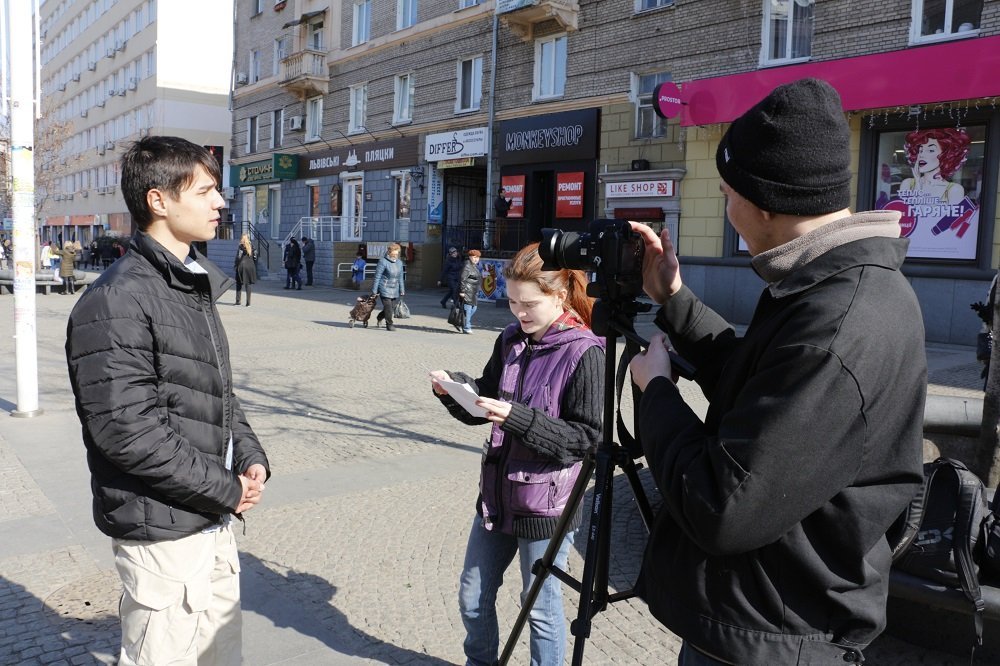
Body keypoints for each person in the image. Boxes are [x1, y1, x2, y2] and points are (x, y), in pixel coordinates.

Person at [626, 78, 927, 665]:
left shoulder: (838, 324)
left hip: (774, 636)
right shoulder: (831, 285)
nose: (724, 198)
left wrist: (655, 392)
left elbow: (722, 507)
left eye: (729, 189)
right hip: (769, 617)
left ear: (765, 202)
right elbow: (759, 388)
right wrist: (675, 299)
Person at [64, 135, 270, 665]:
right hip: (163, 532)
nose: (220, 202)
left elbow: (214, 388)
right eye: (205, 191)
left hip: (209, 519)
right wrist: (225, 487)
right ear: (158, 200)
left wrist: (249, 456)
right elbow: (127, 431)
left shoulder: (188, 283)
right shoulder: (117, 298)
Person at [429, 242, 604, 666]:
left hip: (547, 505)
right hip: (496, 495)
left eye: (528, 304)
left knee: (539, 606)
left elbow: (584, 440)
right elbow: (488, 401)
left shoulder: (585, 351)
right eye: (510, 302)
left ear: (559, 296)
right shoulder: (510, 339)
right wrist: (456, 391)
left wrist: (518, 419)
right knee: (472, 594)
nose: (518, 314)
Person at [372, 243, 405, 331]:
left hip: (395, 288)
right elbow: (377, 276)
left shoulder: (399, 263)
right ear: (389, 252)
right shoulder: (383, 261)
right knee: (388, 307)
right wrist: (374, 290)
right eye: (393, 254)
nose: (395, 256)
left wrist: (402, 289)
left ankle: (379, 317)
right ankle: (389, 324)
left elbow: (401, 277)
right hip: (384, 287)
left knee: (392, 308)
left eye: (397, 254)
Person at [457, 249, 483, 334]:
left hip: (473, 292)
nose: (476, 259)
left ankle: (460, 322)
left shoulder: (474, 266)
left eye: (478, 257)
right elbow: (462, 278)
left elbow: (474, 277)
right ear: (470, 257)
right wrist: (462, 291)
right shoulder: (467, 265)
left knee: (474, 309)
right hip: (468, 291)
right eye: (474, 257)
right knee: (467, 310)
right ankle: (466, 327)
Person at [234, 233, 258, 306]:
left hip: (241, 266)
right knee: (248, 284)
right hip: (250, 266)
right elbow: (255, 258)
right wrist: (253, 265)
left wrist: (235, 265)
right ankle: (248, 303)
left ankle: (238, 301)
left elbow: (238, 257)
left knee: (238, 283)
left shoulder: (241, 247)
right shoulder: (253, 247)